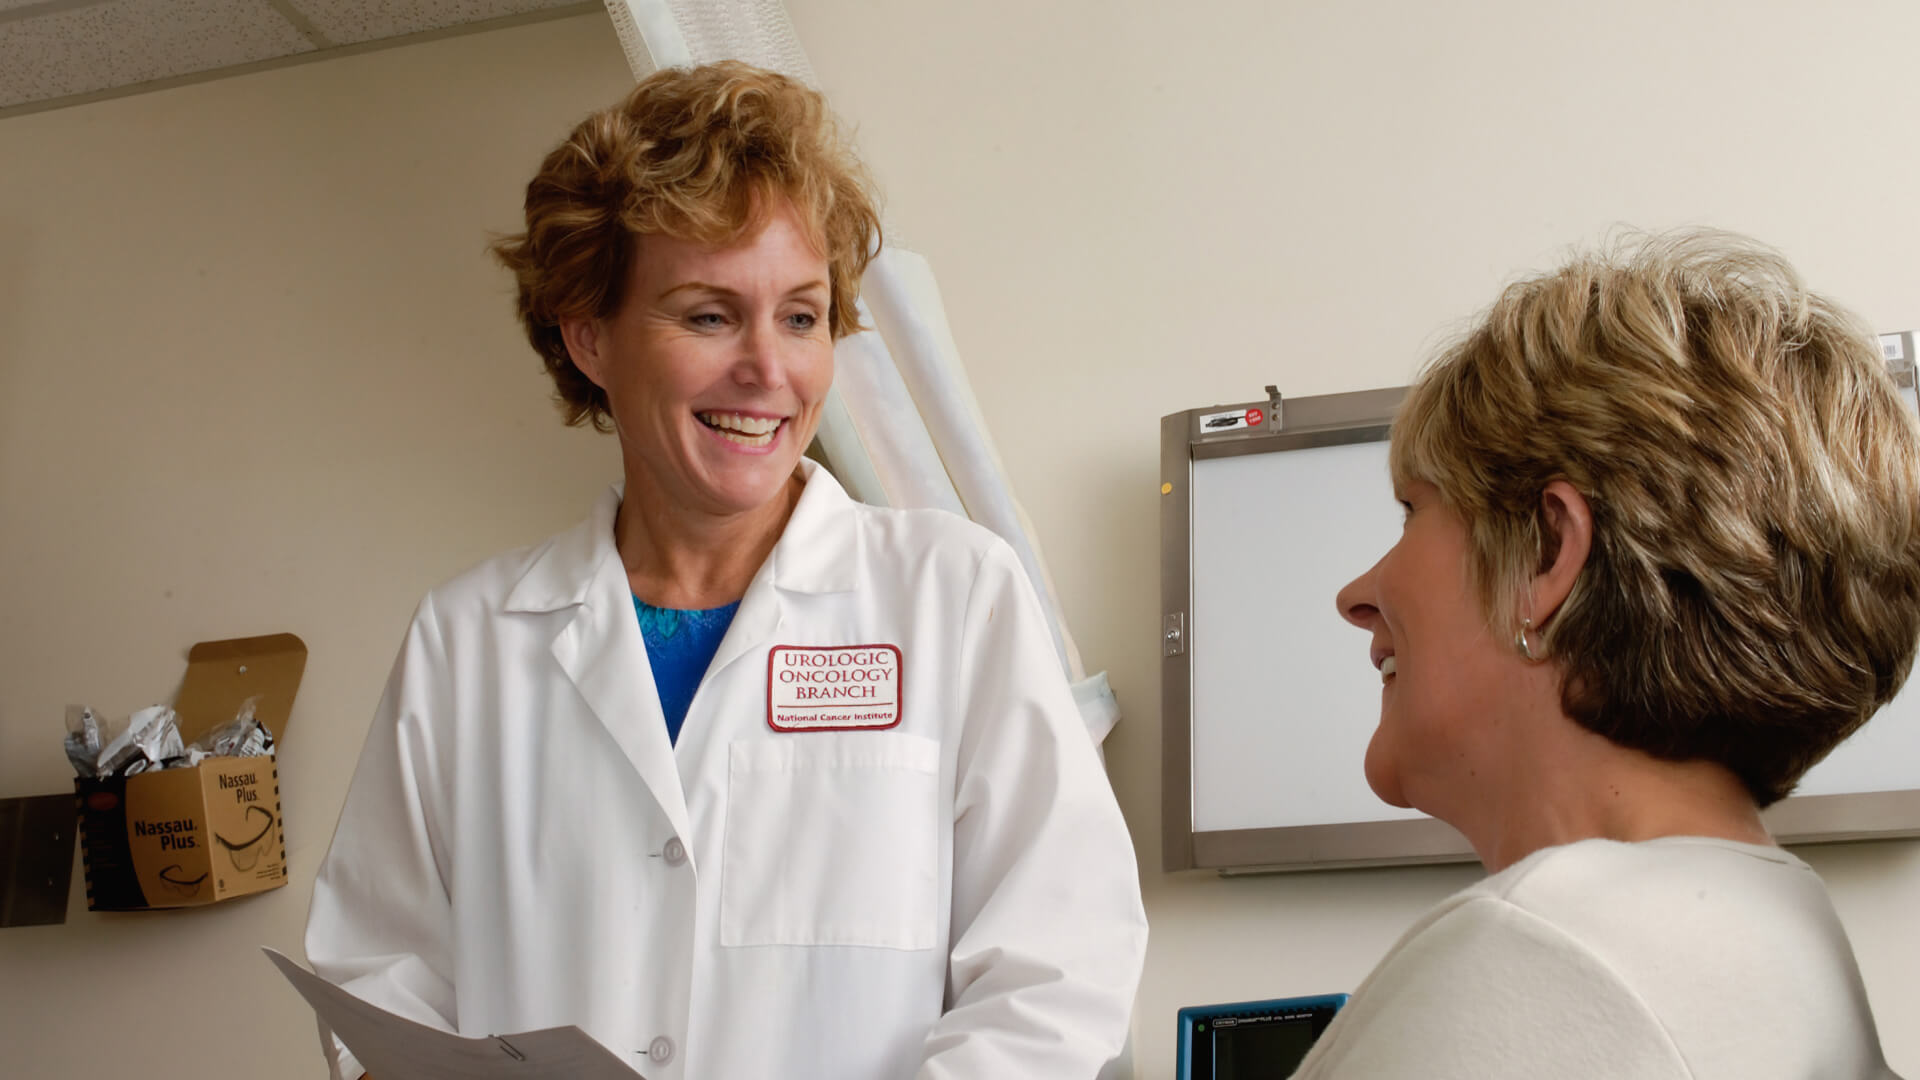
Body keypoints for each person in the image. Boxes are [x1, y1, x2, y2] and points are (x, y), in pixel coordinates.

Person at [304, 61, 1146, 1080]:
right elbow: (378, 975)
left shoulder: (954, 597)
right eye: (708, 315)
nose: (769, 369)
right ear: (590, 337)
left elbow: (1057, 972)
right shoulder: (470, 639)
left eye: (800, 316)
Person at [1299, 231, 1917, 1079]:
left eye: (1413, 511)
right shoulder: (1781, 927)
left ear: (1550, 556)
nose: (1356, 594)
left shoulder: (1541, 962)